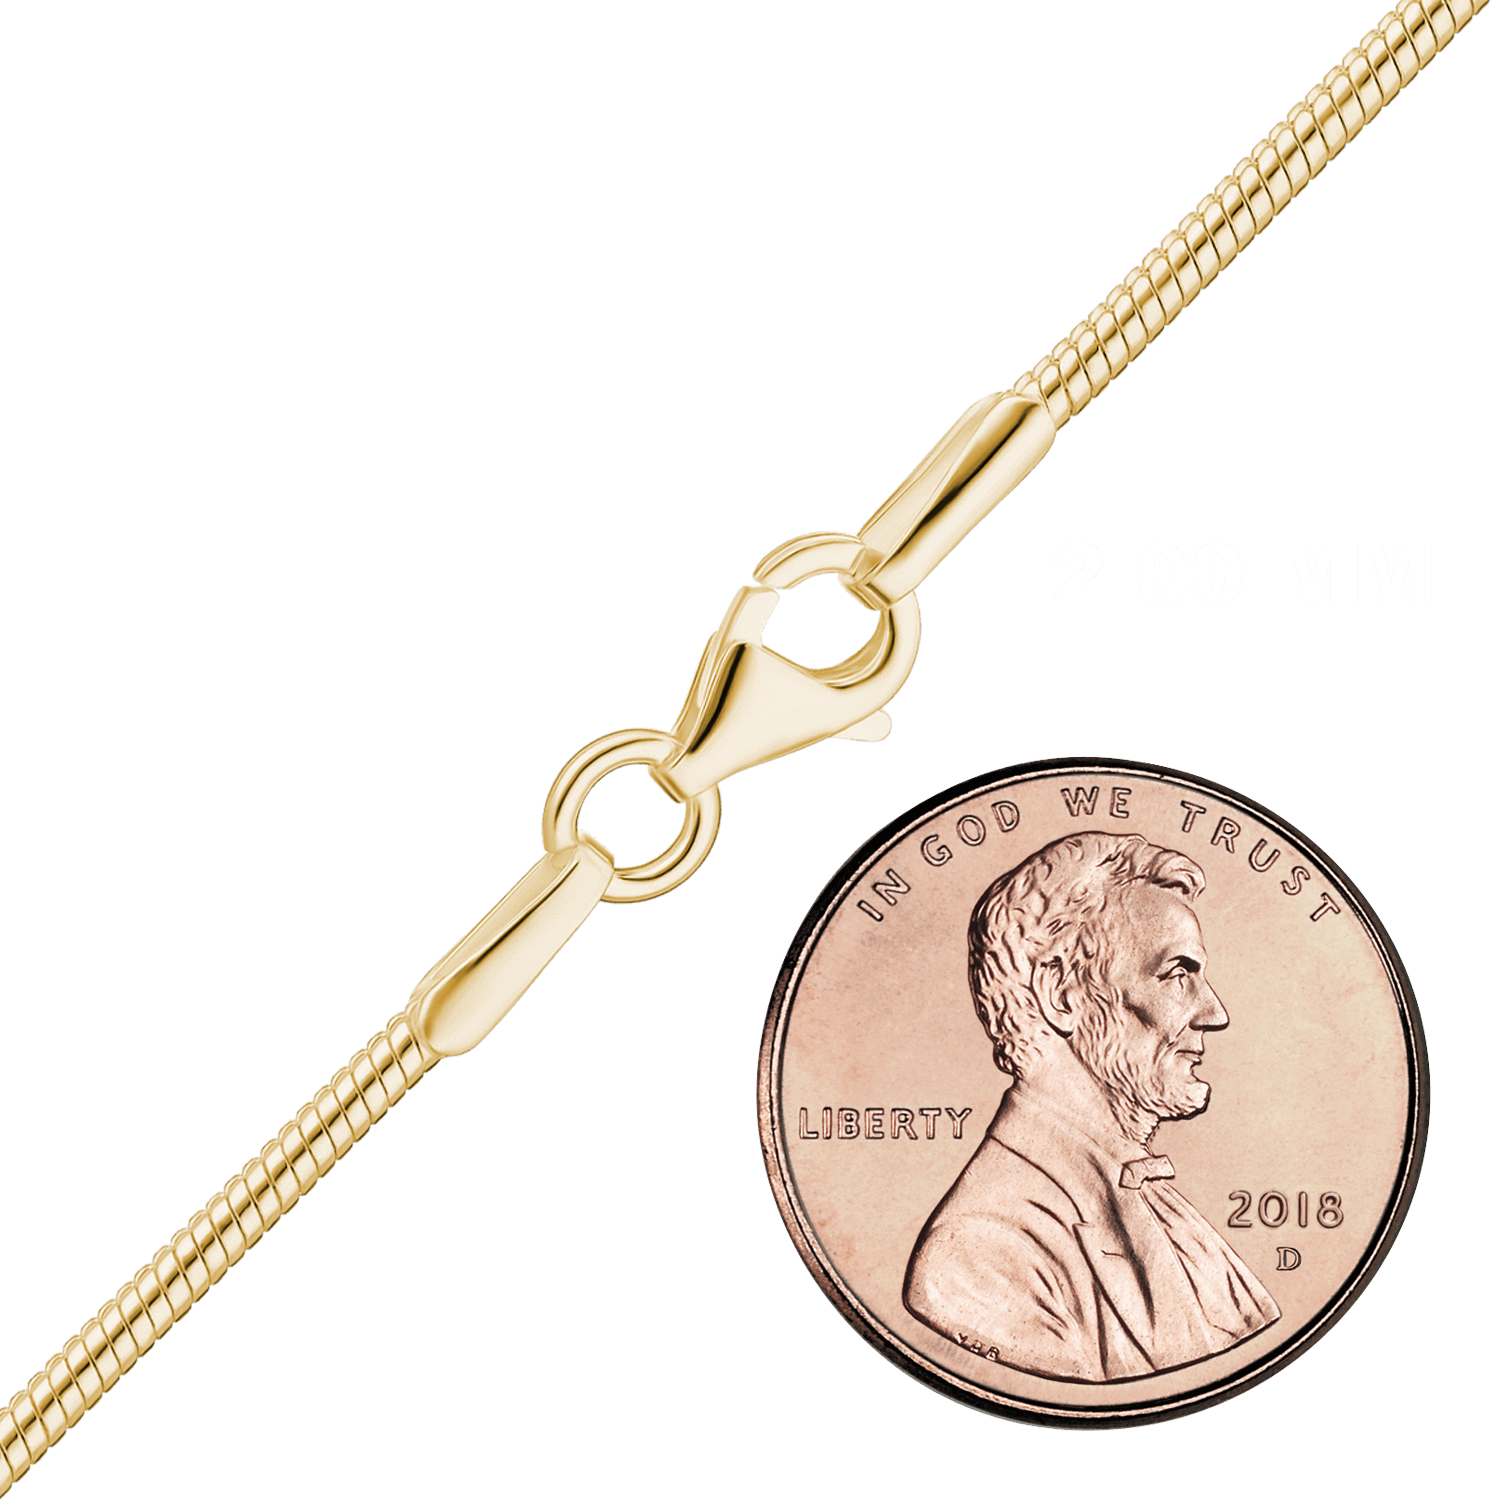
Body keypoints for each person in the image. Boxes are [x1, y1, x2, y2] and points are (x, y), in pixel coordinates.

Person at [903, 831, 1279, 1382]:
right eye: (1177, 974)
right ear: (1060, 993)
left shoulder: (1163, 1207)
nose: (1214, 1012)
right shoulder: (980, 1255)